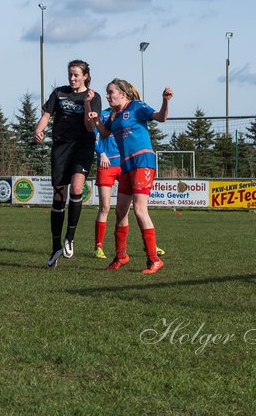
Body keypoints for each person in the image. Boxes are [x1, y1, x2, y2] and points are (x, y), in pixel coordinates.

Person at [92, 78, 172, 274]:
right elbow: (103, 133)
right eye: (107, 93)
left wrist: (166, 100)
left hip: (142, 161)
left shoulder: (136, 106)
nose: (108, 96)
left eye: (111, 92)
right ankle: (121, 256)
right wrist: (93, 117)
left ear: (123, 94)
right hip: (126, 164)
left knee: (139, 210)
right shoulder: (114, 116)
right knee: (120, 211)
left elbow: (161, 117)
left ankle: (153, 259)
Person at [33, 60, 103, 268]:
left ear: (85, 77)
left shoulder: (94, 97)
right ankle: (55, 246)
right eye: (70, 74)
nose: (72, 78)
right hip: (61, 147)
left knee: (78, 188)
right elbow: (46, 114)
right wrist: (39, 129)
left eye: (76, 75)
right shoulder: (59, 93)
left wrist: (88, 104)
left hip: (83, 146)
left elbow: (91, 128)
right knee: (59, 194)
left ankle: (69, 237)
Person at [93, 103, 121, 259]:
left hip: (124, 165)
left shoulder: (127, 115)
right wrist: (101, 153)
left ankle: (149, 245)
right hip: (106, 165)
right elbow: (90, 138)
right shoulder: (101, 115)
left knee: (134, 208)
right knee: (105, 207)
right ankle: (98, 247)